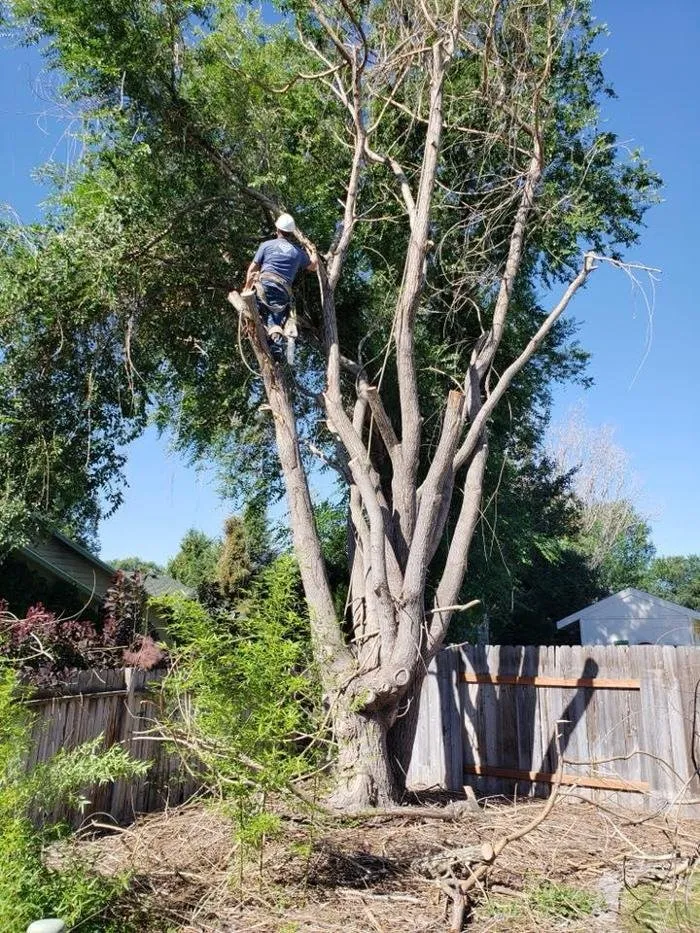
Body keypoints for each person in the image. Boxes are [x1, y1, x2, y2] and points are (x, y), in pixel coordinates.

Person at [244, 212, 317, 361]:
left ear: (277, 230)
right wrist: (313, 251)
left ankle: (270, 341)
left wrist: (246, 288)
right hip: (282, 290)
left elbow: (252, 269)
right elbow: (313, 266)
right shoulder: (298, 253)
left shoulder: (266, 245)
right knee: (275, 320)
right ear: (291, 233)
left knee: (258, 314)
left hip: (262, 285)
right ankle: (276, 346)